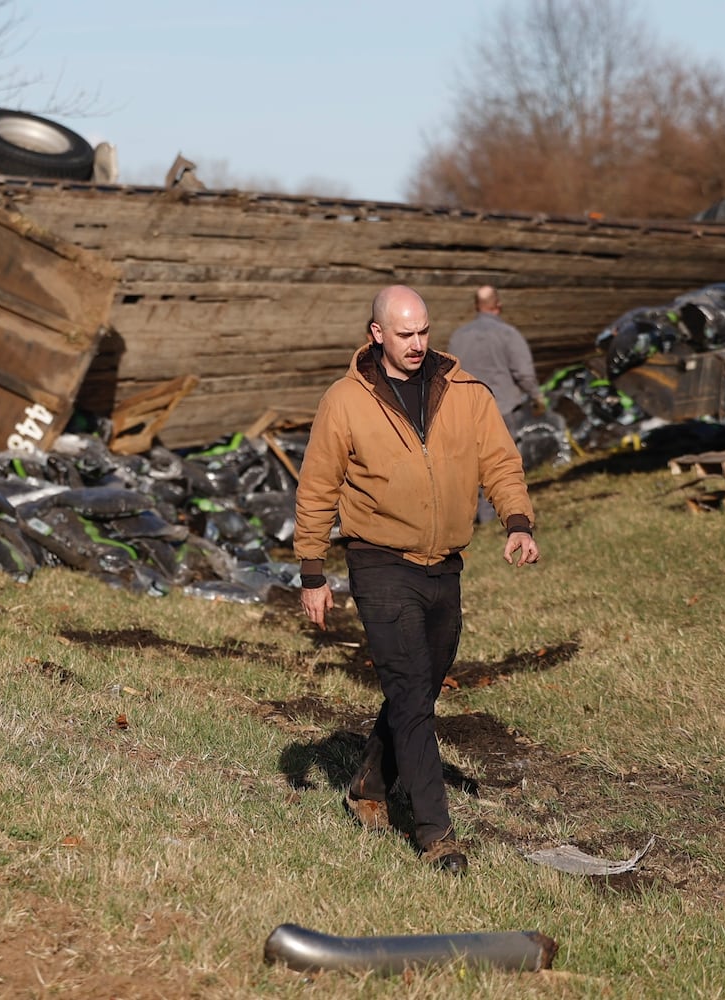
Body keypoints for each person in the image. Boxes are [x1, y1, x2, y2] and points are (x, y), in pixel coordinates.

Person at [295, 284, 540, 872]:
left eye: (423, 331)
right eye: (404, 333)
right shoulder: (346, 400)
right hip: (378, 561)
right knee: (410, 692)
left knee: (419, 689)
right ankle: (436, 833)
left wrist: (517, 520)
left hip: (444, 563)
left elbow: (499, 461)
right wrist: (312, 570)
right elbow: (318, 485)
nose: (416, 343)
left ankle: (369, 785)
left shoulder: (464, 390)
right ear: (377, 333)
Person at [445, 286, 543, 523]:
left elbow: (447, 376)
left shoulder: (458, 337)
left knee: (473, 466)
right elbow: (524, 374)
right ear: (498, 306)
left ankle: (479, 518)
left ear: (476, 306)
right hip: (503, 408)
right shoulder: (508, 334)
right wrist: (537, 397)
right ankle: (505, 516)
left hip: (466, 411)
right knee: (503, 466)